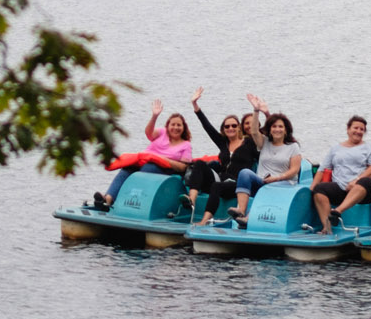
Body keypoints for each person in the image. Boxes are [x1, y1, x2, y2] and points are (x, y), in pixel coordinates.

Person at [94, 100, 193, 210]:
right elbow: (149, 133)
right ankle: (107, 199)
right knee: (127, 168)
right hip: (147, 160)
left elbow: (184, 167)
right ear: (167, 126)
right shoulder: (162, 132)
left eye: (179, 125)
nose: (175, 127)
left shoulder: (186, 145)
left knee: (148, 168)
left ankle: (133, 202)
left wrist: (164, 160)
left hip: (165, 168)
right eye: (173, 124)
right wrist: (154, 116)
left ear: (184, 127)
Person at [186, 88, 264, 224]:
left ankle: (205, 220)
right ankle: (191, 199)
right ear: (223, 129)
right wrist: (195, 105)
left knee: (216, 186)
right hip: (221, 179)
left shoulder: (249, 143)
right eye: (227, 127)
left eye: (234, 125)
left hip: (236, 184)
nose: (230, 128)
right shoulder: (223, 143)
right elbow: (207, 127)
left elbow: (263, 145)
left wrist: (257, 110)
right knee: (199, 165)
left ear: (239, 127)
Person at [228, 98, 302, 226]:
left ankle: (249, 218)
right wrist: (256, 110)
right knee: (245, 173)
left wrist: (277, 178)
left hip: (284, 184)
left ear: (286, 130)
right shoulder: (264, 142)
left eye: (280, 127)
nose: (277, 129)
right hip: (263, 181)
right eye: (274, 126)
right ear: (270, 129)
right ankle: (241, 210)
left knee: (269, 187)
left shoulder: (293, 146)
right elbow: (254, 131)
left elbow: (294, 170)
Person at [311, 115, 371, 231]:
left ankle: (337, 212)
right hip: (341, 187)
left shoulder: (368, 147)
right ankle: (327, 227)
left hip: (361, 190)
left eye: (362, 129)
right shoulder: (335, 149)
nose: (358, 131)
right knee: (319, 189)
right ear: (348, 129)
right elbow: (322, 169)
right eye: (356, 128)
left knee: (365, 181)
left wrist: (356, 180)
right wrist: (312, 187)